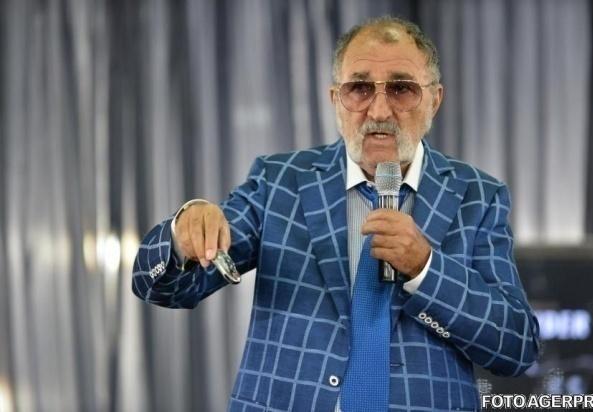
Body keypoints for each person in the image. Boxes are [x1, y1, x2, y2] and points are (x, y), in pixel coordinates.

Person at [132, 16, 540, 412]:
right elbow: (165, 288)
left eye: (401, 89)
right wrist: (182, 237)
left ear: (434, 99)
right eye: (359, 88)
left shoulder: (477, 195)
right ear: (335, 99)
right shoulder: (280, 182)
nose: (379, 111)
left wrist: (426, 269)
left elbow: (516, 348)